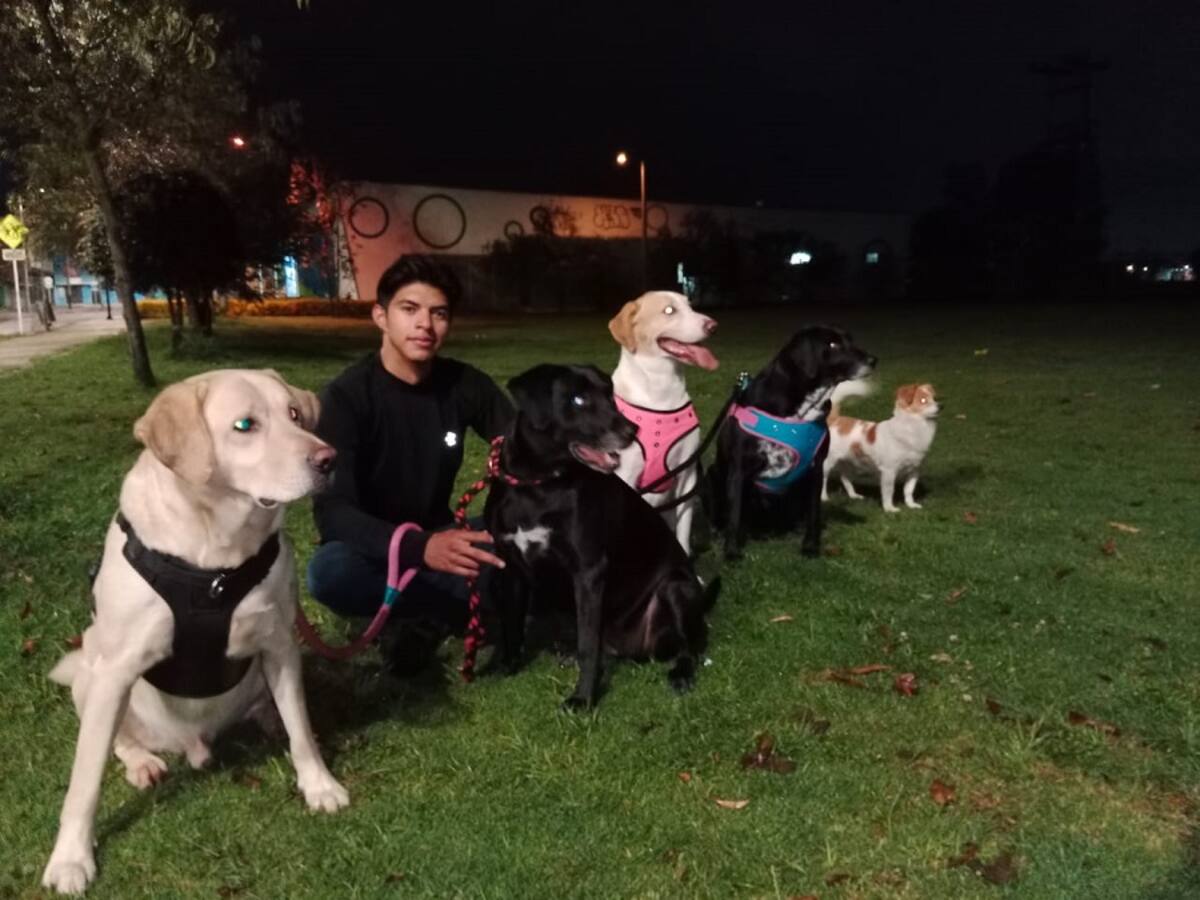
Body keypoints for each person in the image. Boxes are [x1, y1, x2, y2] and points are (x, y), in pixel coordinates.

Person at [307, 254, 513, 673]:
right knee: (328, 573)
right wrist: (422, 550)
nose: (425, 324)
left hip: (442, 532)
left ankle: (426, 612)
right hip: (371, 548)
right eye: (410, 309)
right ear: (380, 316)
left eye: (438, 313)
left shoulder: (464, 384)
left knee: (513, 538)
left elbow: (519, 445)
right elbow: (334, 514)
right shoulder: (348, 397)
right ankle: (449, 611)